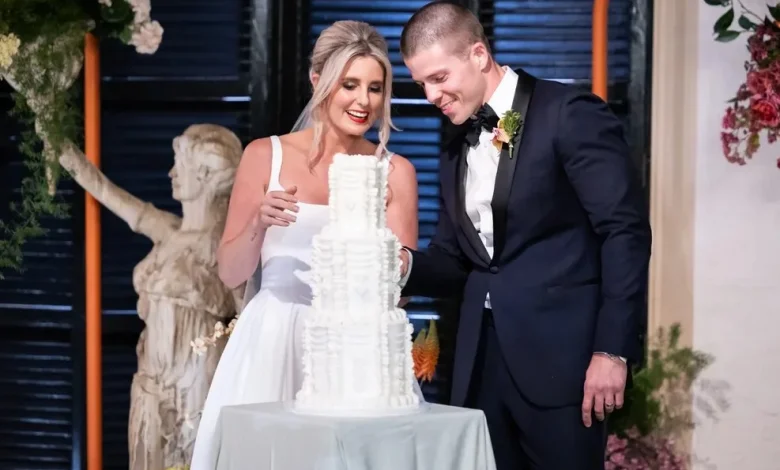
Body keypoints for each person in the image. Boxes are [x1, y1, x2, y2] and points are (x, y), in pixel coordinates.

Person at [397, 3, 652, 469]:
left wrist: (612, 350)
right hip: (479, 364)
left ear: (478, 54)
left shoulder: (568, 113)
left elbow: (624, 232)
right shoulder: (455, 143)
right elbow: (456, 259)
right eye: (421, 85)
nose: (431, 95)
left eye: (438, 77)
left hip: (563, 363)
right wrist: (403, 264)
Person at [189, 20, 420, 469]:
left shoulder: (395, 173)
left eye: (375, 88)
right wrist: (258, 223)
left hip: (353, 352)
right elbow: (231, 273)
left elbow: (400, 291)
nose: (363, 101)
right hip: (271, 340)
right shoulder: (264, 156)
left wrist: (378, 255)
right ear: (318, 81)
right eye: (350, 85)